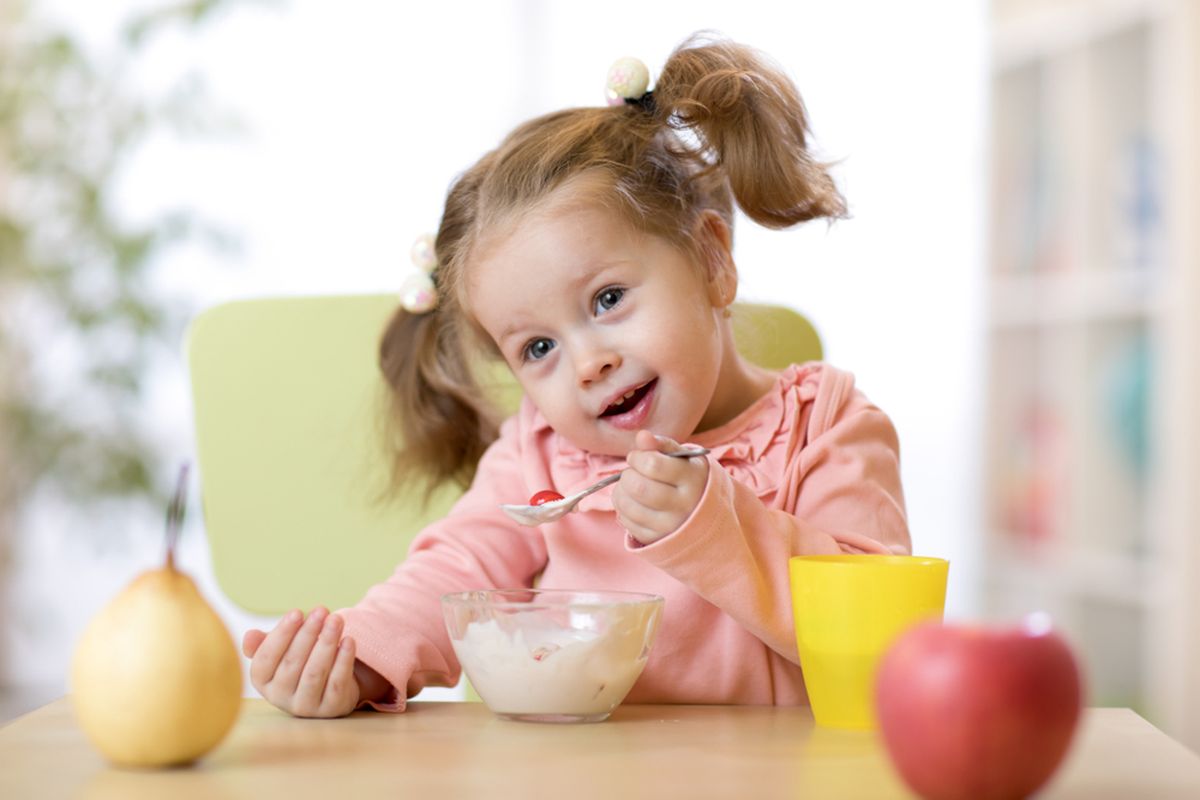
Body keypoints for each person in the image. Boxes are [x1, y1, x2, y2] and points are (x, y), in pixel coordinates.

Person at [242, 33, 910, 719]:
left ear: (711, 260)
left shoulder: (826, 425)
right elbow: (457, 572)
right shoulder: (542, 452)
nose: (590, 364)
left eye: (609, 299)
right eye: (537, 348)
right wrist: (356, 658)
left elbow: (889, 640)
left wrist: (716, 526)